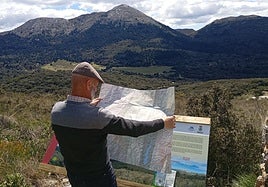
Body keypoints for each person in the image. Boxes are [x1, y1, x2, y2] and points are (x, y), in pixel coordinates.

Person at [51, 62, 176, 187]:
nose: (95, 91)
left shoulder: (56, 111)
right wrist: (162, 123)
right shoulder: (98, 116)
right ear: (89, 84)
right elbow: (133, 129)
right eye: (95, 87)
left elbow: (76, 117)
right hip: (100, 178)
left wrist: (86, 107)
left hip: (74, 175)